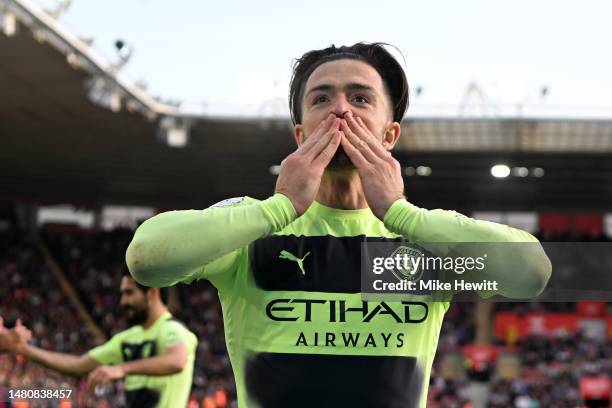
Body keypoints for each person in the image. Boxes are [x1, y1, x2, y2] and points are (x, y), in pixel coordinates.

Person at [126, 42, 551, 407]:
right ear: (300, 134)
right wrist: (279, 208)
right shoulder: (254, 230)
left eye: (361, 99)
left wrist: (403, 214)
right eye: (322, 99)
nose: (341, 110)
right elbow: (146, 259)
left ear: (390, 135)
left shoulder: (424, 240)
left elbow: (532, 273)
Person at [3, 273, 198, 408]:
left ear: (152, 293)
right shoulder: (126, 339)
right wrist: (23, 349)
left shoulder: (173, 330)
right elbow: (78, 365)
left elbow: (176, 360)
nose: (123, 302)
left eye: (129, 293)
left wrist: (121, 368)